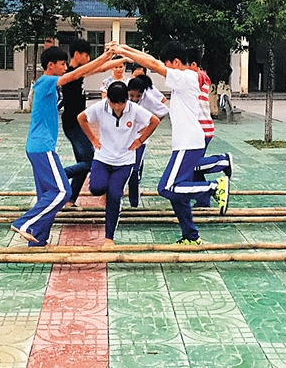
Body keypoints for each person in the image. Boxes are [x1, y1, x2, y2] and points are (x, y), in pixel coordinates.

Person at [112, 40, 229, 245]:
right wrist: (126, 50)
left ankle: (213, 187)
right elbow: (152, 61)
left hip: (188, 143)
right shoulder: (184, 77)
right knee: (178, 194)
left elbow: (153, 64)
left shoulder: (185, 77)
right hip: (186, 143)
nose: (164, 69)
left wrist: (125, 52)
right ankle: (191, 236)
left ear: (176, 62)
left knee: (167, 187)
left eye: (167, 64)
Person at [11, 45, 114, 246]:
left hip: (38, 147)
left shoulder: (46, 84)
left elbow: (83, 72)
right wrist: (105, 56)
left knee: (46, 195)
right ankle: (23, 223)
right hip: (41, 147)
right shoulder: (46, 81)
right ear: (51, 65)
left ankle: (38, 240)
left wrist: (107, 59)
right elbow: (77, 74)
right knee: (62, 192)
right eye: (62, 64)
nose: (65, 67)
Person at [79, 82, 160, 246]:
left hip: (124, 161)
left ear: (127, 100)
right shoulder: (100, 107)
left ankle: (109, 237)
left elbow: (154, 121)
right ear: (108, 99)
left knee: (115, 196)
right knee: (96, 188)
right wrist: (93, 138)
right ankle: (107, 190)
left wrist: (140, 140)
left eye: (121, 103)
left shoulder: (134, 110)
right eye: (113, 103)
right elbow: (81, 118)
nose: (117, 107)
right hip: (103, 158)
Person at [61, 38, 125, 206]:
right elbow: (96, 66)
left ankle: (70, 201)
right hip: (73, 124)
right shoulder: (71, 73)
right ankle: (58, 175)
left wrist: (125, 57)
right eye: (86, 55)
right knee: (89, 161)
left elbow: (101, 67)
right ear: (77, 54)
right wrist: (107, 55)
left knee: (83, 162)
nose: (89, 59)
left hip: (78, 124)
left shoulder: (79, 72)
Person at [187, 48, 232, 207]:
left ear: (193, 65)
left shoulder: (197, 77)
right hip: (201, 129)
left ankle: (222, 161)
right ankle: (203, 200)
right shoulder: (200, 77)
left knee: (190, 165)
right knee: (194, 168)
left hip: (201, 129)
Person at [126, 75, 169, 207]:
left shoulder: (149, 99)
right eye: (131, 96)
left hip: (140, 140)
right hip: (123, 138)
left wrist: (148, 128)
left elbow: (163, 111)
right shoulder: (123, 96)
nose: (134, 99)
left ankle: (134, 203)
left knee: (134, 170)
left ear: (143, 93)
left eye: (138, 96)